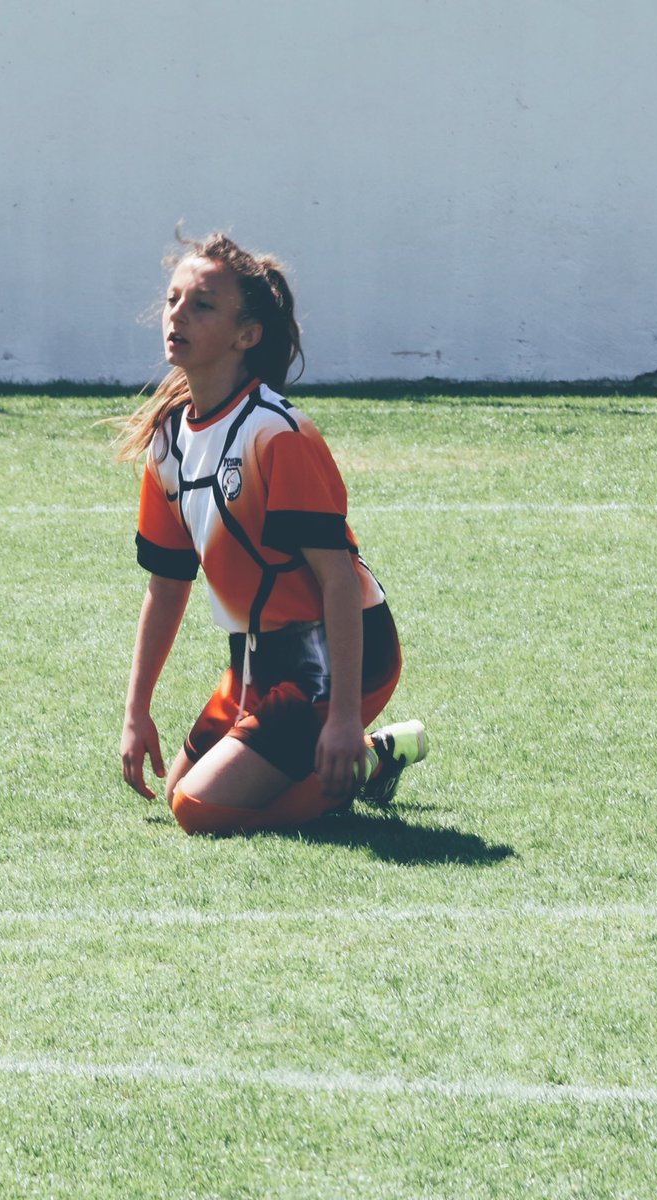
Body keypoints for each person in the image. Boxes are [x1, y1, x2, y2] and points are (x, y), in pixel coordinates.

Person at [116, 232, 426, 835]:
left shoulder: (277, 434)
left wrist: (343, 720)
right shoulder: (167, 441)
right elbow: (167, 585)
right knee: (177, 789)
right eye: (174, 299)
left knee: (198, 810)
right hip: (254, 664)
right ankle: (356, 755)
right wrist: (136, 711)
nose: (177, 315)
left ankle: (368, 755)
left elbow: (338, 580)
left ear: (247, 335)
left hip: (337, 658)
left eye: (203, 305)